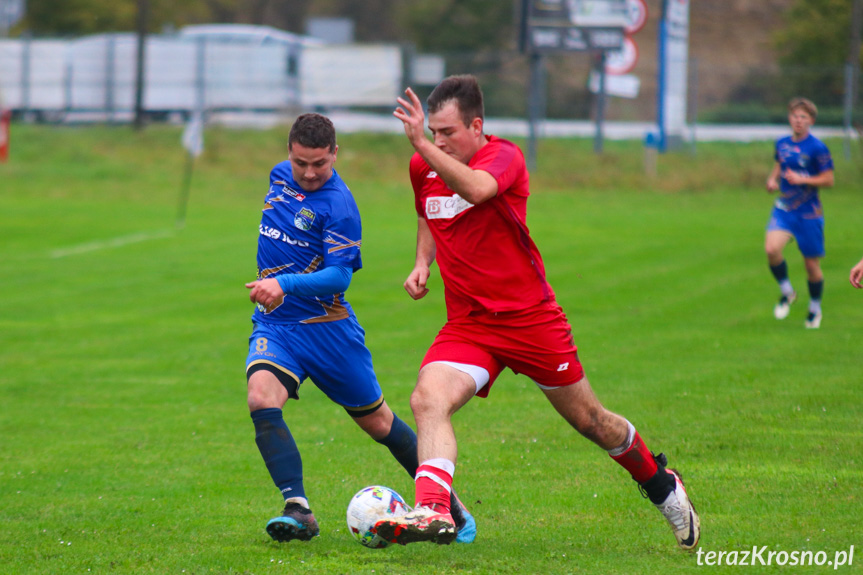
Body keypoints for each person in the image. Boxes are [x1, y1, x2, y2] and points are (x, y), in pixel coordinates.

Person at [372, 75, 700, 550]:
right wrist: (423, 262)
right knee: (428, 399)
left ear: (477, 125)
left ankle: (661, 485)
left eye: (448, 132)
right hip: (469, 325)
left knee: (592, 421)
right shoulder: (422, 167)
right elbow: (428, 211)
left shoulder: (503, 157)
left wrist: (424, 144)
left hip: (531, 321)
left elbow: (478, 191)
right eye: (434, 132)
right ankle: (433, 510)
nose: (440, 141)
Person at [244, 113, 474, 543]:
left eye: (319, 164)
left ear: (335, 154)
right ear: (289, 154)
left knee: (380, 424)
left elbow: (339, 278)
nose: (309, 173)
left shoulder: (339, 206)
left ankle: (448, 504)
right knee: (261, 397)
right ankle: (298, 508)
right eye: (300, 163)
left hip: (330, 333)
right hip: (277, 326)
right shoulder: (279, 177)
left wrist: (282, 282)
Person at [764, 97, 834, 329]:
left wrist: (804, 179)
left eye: (803, 117)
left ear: (811, 120)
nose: (798, 120)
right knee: (771, 249)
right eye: (795, 116)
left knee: (810, 265)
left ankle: (815, 308)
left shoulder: (817, 148)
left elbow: (829, 179)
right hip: (785, 208)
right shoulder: (782, 143)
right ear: (789, 118)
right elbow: (779, 165)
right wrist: (773, 179)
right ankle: (788, 292)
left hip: (809, 212)